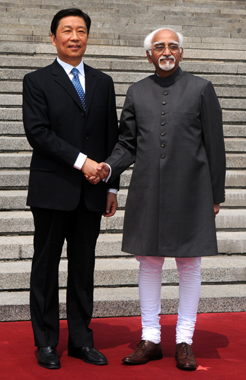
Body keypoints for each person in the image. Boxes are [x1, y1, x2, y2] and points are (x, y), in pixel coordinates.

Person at [91, 27, 226, 370]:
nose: (166, 51)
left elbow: (215, 145)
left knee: (189, 266)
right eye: (159, 47)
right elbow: (127, 144)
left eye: (172, 46)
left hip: (192, 190)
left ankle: (184, 340)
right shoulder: (136, 92)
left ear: (182, 53)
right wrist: (109, 167)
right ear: (148, 54)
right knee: (148, 264)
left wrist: (216, 193)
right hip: (148, 189)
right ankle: (150, 338)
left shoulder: (201, 89)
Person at [22, 8, 119, 370]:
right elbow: (39, 134)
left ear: (88, 37)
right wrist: (82, 162)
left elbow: (112, 135)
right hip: (52, 190)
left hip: (93, 192)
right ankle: (46, 342)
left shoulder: (102, 81)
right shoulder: (37, 80)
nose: (74, 36)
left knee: (83, 269)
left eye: (81, 30)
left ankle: (81, 341)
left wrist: (112, 187)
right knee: (45, 268)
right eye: (67, 30)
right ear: (53, 38)